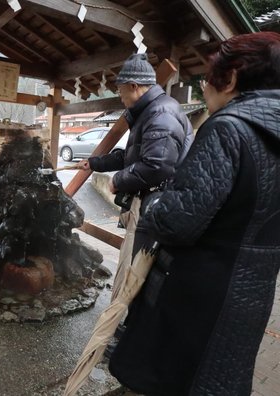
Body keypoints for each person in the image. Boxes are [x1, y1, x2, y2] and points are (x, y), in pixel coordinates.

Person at [108, 31, 280, 396]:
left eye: (208, 77)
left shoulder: (229, 128)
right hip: (254, 287)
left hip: (202, 292)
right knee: (220, 378)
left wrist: (153, 205)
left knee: (179, 376)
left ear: (231, 78)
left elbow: (178, 221)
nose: (203, 86)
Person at [79, 53, 193, 301]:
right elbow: (131, 157)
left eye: (120, 91)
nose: (120, 96)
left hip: (156, 204)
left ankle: (124, 326)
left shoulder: (160, 114)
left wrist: (118, 180)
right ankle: (123, 319)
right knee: (131, 265)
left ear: (134, 86)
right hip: (150, 203)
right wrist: (94, 163)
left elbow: (157, 165)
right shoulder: (149, 112)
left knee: (135, 270)